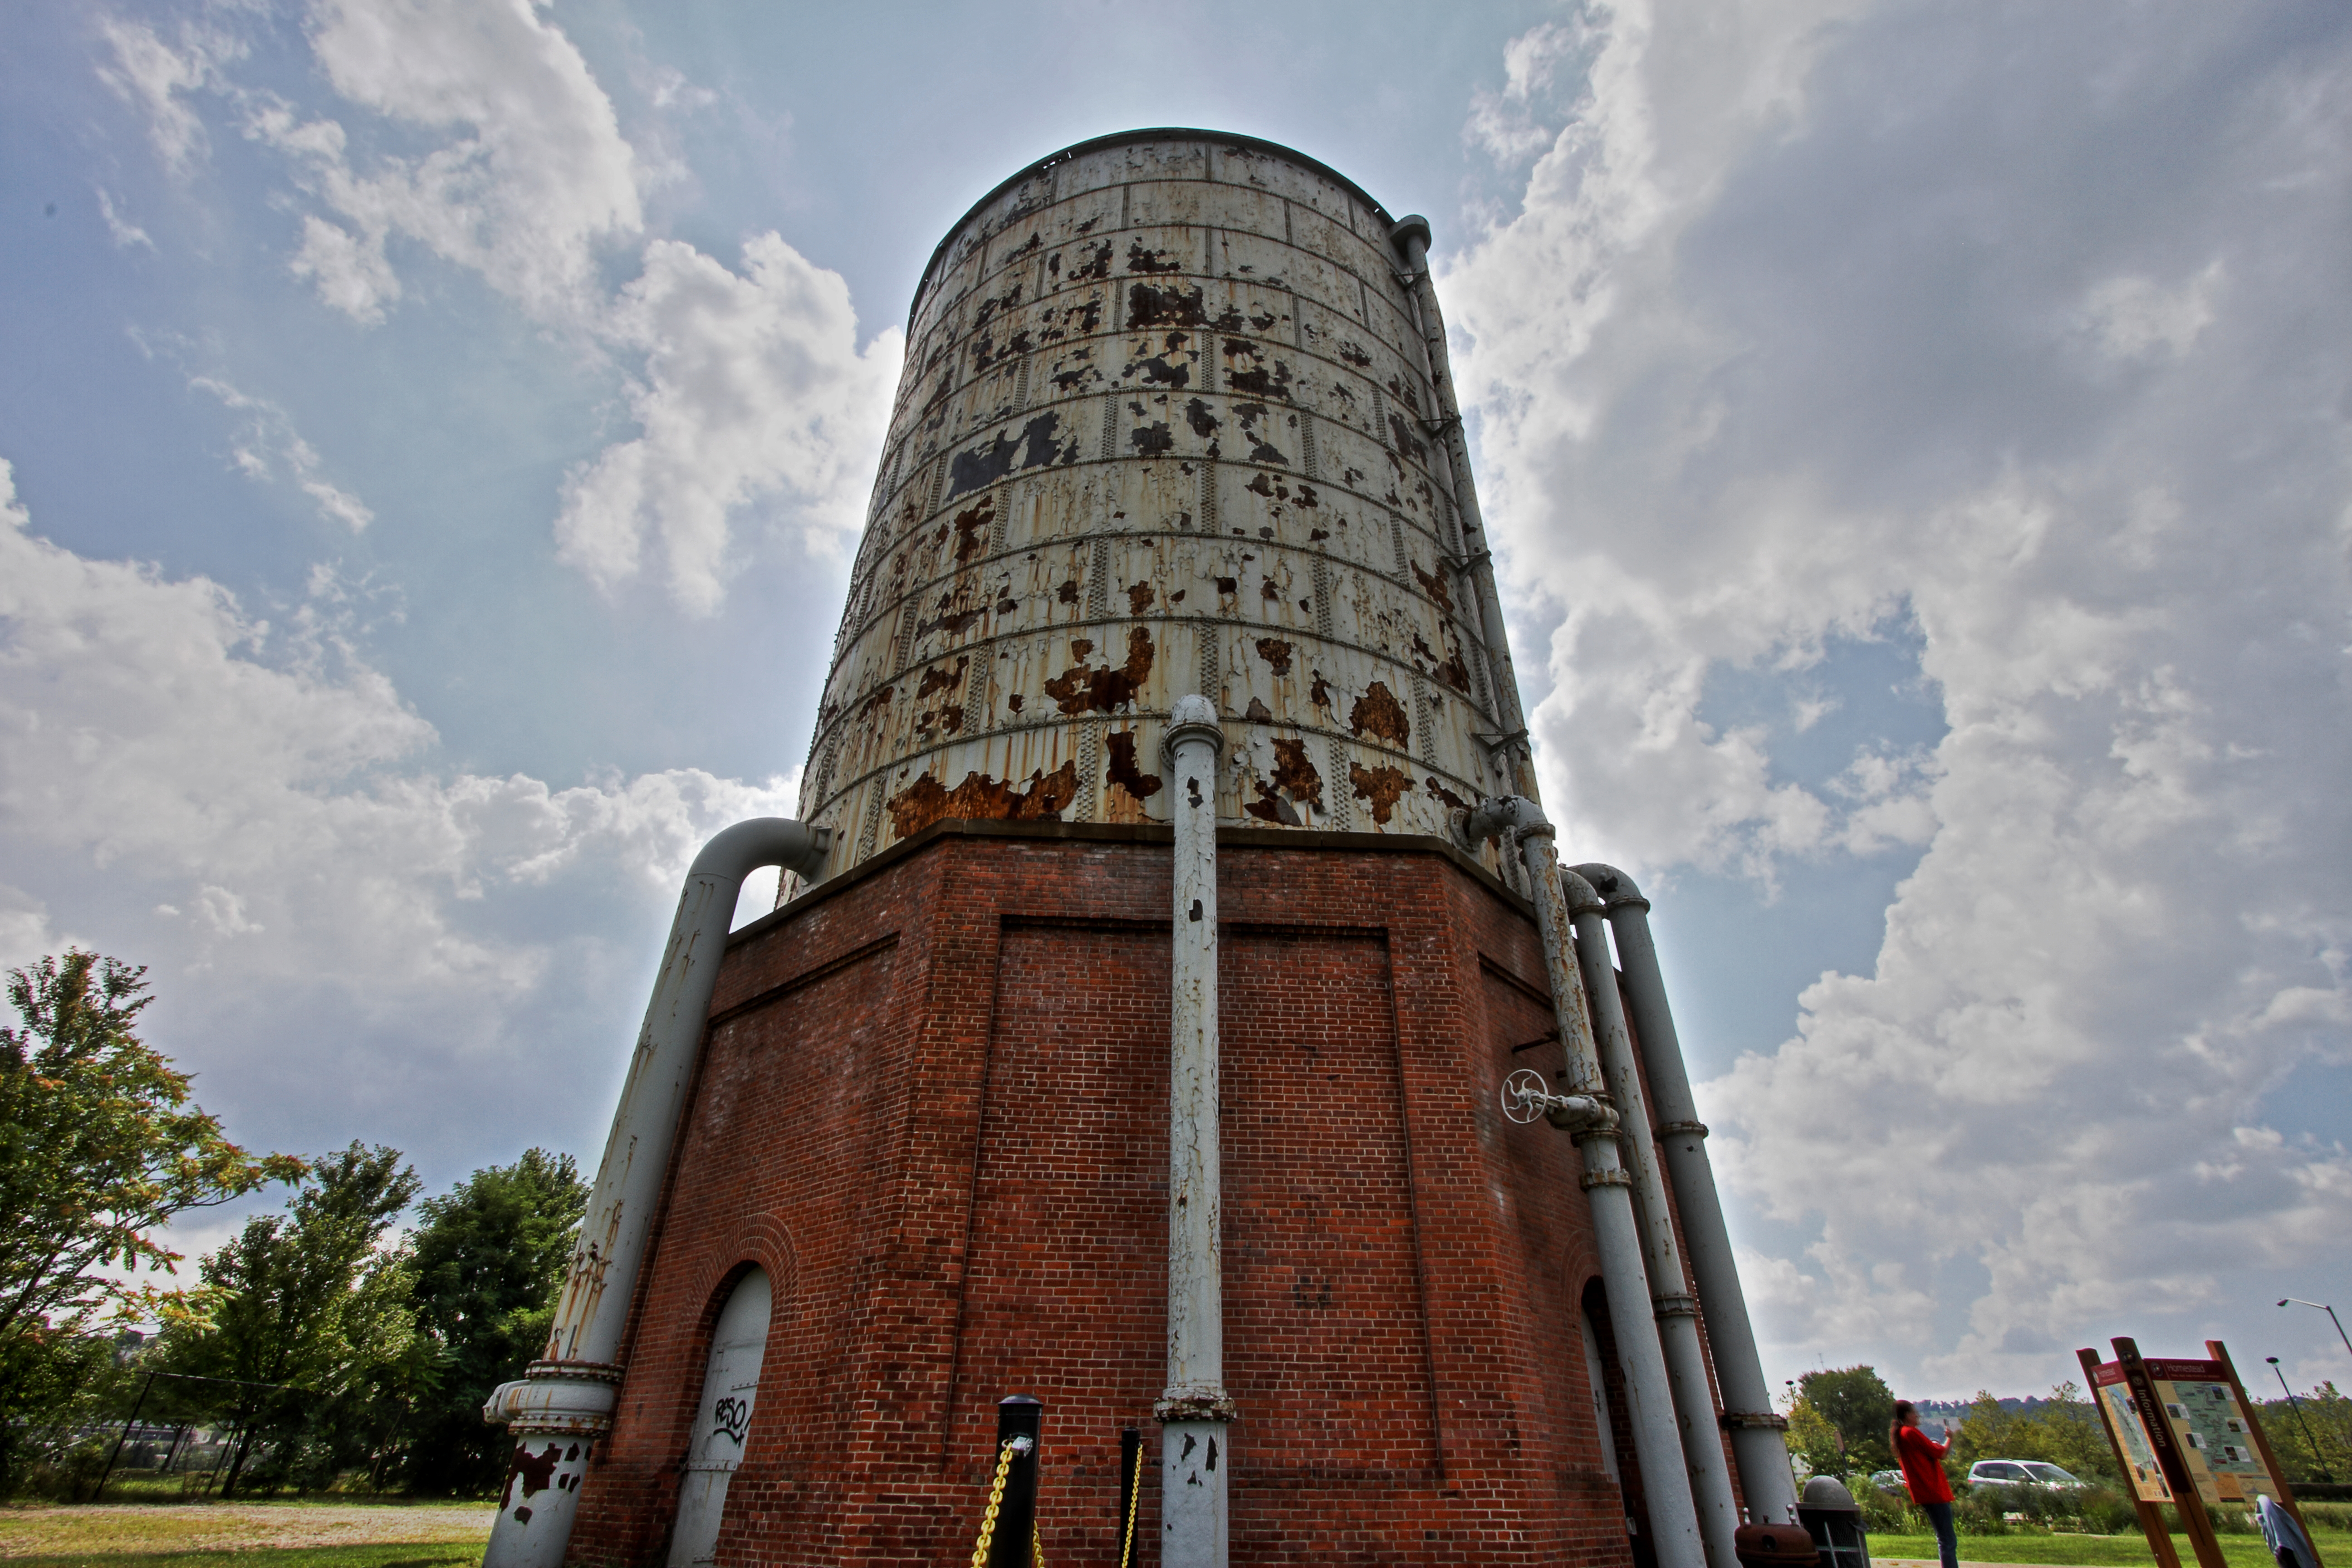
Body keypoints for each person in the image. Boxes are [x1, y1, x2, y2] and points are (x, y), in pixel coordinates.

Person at [1892, 1400, 1957, 1568]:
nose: (1918, 1415)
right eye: (1915, 1412)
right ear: (1907, 1415)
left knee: (1944, 1538)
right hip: (1933, 1490)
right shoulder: (1911, 1432)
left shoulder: (1901, 1434)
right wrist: (1949, 1439)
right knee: (1948, 1540)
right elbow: (1940, 1453)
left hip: (1925, 1492)